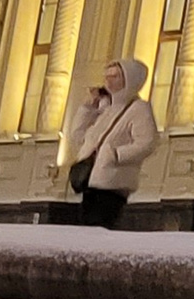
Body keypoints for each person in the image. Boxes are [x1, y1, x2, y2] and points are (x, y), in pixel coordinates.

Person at [61, 57, 160, 228]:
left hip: (113, 182)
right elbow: (78, 136)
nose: (108, 80)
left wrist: (115, 155)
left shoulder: (138, 109)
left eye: (114, 76)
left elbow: (147, 142)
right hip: (91, 180)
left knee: (99, 228)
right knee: (86, 229)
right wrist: (89, 108)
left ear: (128, 79)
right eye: (107, 76)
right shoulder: (107, 109)